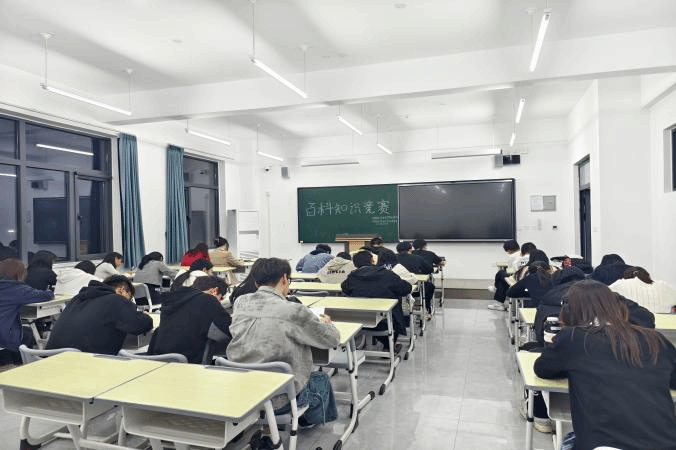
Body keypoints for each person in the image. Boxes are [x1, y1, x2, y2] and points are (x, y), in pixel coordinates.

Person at [534, 280, 676, 450]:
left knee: (570, 438)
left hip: (604, 445)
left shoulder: (574, 338)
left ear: (570, 311)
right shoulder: (655, 339)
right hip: (666, 443)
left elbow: (542, 369)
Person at [227, 258, 340, 427]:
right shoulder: (293, 310)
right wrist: (328, 324)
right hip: (278, 399)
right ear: (284, 279)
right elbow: (332, 339)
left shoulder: (240, 302)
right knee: (321, 378)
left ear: (256, 282)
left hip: (242, 390)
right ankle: (308, 421)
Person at [46, 275, 152, 355]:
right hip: (84, 363)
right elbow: (140, 325)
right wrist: (145, 316)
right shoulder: (117, 300)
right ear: (121, 290)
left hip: (50, 358)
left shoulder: (77, 298)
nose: (129, 302)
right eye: (130, 298)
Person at [149, 276, 231, 364]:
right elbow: (227, 330)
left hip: (158, 359)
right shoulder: (209, 300)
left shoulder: (174, 297)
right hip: (190, 362)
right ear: (214, 290)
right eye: (221, 298)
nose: (220, 301)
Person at [341, 250, 413, 351]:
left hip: (359, 319)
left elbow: (345, 289)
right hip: (387, 319)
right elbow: (406, 288)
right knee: (395, 303)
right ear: (372, 261)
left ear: (355, 264)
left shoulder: (352, 277)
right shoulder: (387, 274)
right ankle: (389, 346)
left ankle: (386, 345)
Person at [0, 259, 53, 363]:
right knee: (27, 333)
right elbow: (45, 295)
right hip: (3, 337)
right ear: (20, 273)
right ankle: (22, 363)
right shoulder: (17, 289)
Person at [610, 266, 676, 314]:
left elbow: (604, 295)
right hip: (665, 326)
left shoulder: (620, 284)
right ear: (647, 275)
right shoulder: (661, 286)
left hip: (632, 326)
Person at [396, 241, 435, 316]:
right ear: (410, 249)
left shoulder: (393, 258)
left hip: (396, 289)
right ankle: (427, 307)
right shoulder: (417, 258)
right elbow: (430, 270)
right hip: (414, 288)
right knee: (430, 286)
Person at [488, 239, 524, 311]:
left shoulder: (513, 256)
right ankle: (499, 302)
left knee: (501, 273)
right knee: (503, 279)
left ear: (509, 250)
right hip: (524, 280)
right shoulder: (524, 253)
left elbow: (510, 269)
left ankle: (496, 290)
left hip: (517, 281)